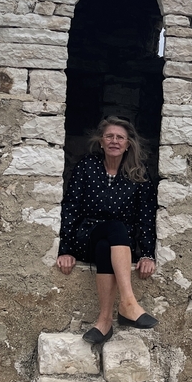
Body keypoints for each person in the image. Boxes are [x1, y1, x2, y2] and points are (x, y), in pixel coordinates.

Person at [56, 116, 158, 344]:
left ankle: (104, 322)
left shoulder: (138, 173)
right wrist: (65, 249)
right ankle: (128, 303)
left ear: (128, 143)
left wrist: (148, 254)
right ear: (101, 142)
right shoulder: (87, 166)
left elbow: (146, 217)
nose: (114, 141)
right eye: (109, 136)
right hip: (87, 236)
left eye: (120, 137)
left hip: (119, 245)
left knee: (108, 244)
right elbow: (70, 207)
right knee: (113, 229)